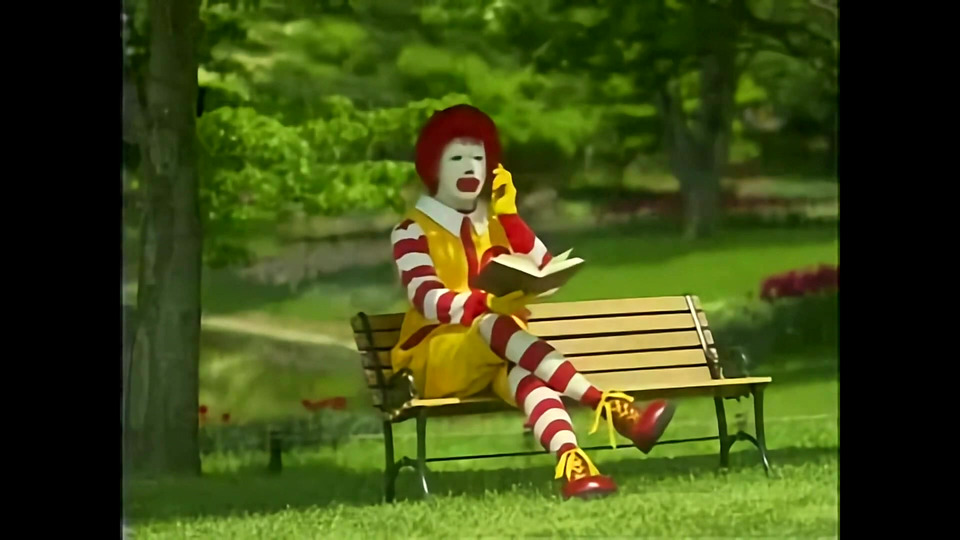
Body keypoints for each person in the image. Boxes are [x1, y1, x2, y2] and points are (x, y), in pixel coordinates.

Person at [389, 104, 676, 500]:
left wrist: (510, 217)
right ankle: (606, 405)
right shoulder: (412, 230)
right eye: (456, 158)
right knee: (494, 325)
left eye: (478, 158)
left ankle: (576, 467)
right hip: (437, 357)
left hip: (497, 352)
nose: (470, 168)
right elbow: (425, 297)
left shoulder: (493, 224)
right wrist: (485, 304)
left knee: (531, 380)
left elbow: (544, 269)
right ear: (434, 166)